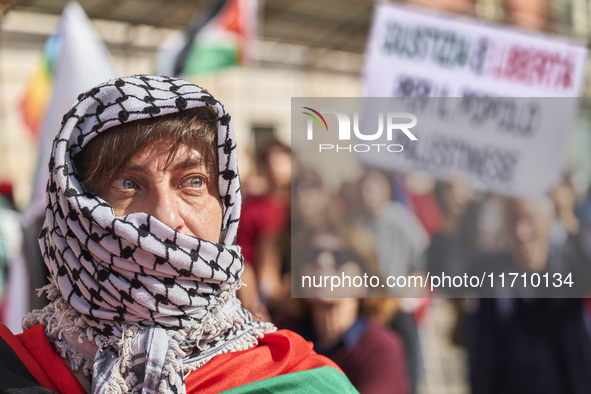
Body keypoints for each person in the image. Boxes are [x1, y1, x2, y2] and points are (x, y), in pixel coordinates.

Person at [0, 75, 357, 394]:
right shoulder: (13, 370)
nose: (167, 218)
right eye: (127, 184)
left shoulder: (300, 383)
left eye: (193, 182)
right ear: (75, 213)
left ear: (226, 206)